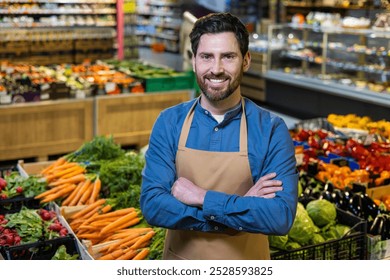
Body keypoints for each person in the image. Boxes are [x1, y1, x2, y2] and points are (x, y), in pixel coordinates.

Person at [140, 12, 298, 260]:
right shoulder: (169, 122)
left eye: (228, 56)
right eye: (206, 57)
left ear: (246, 60)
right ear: (194, 61)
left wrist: (201, 197)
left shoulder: (271, 130)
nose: (216, 69)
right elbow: (153, 206)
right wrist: (234, 211)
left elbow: (279, 217)